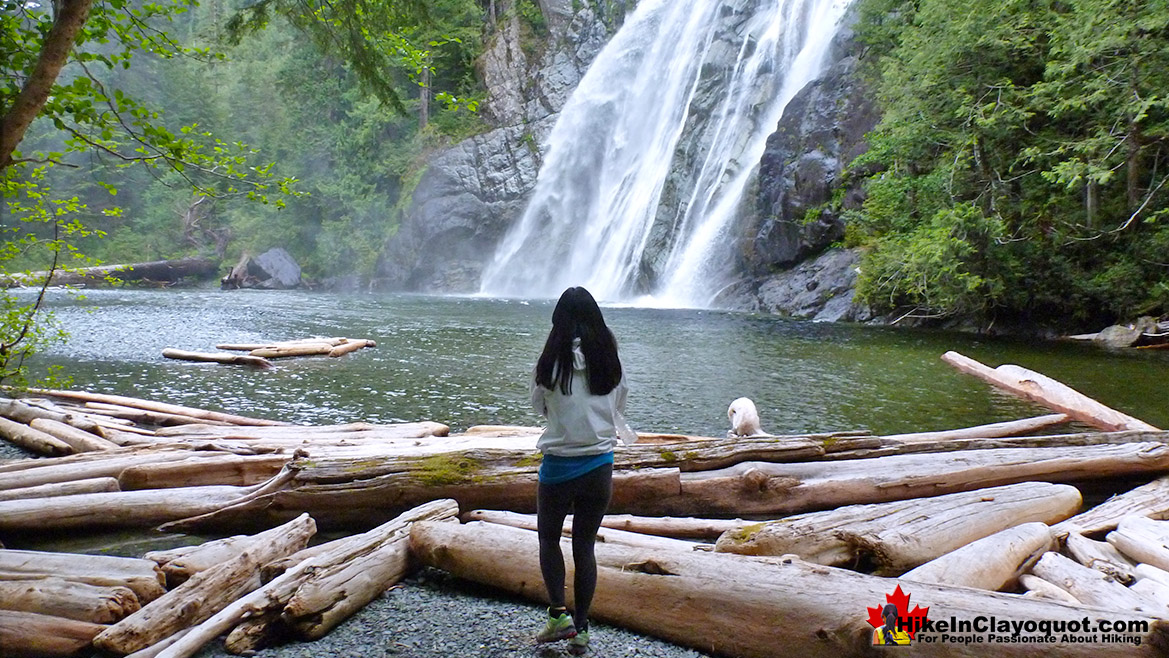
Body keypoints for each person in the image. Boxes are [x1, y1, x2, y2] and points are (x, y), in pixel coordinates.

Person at [530, 286, 635, 656]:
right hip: (600, 467)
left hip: (559, 465)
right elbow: (619, 404)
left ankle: (558, 613)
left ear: (558, 322)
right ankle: (583, 629)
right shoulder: (612, 362)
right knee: (584, 546)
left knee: (548, 539)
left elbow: (539, 406)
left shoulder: (548, 364)